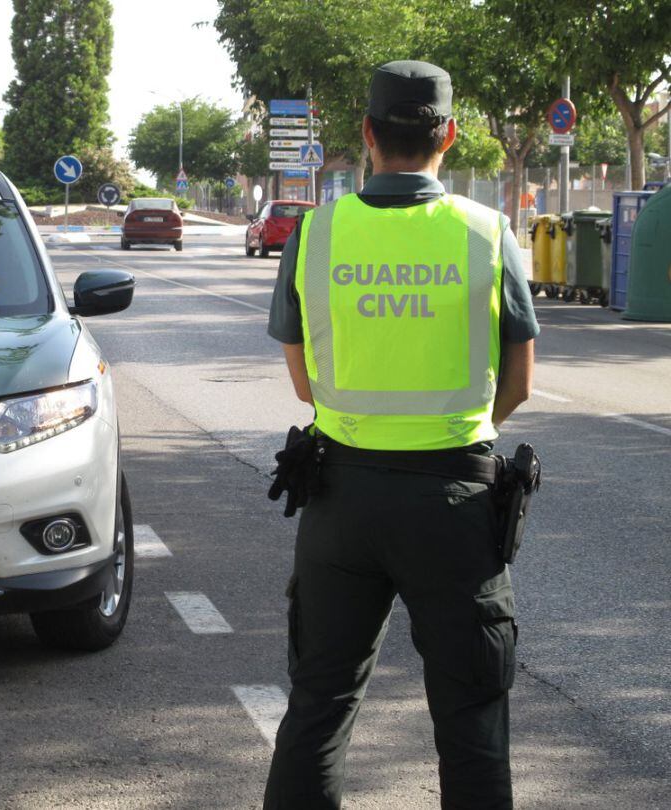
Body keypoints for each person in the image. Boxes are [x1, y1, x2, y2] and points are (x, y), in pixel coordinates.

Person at [263, 60, 539, 810]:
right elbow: (518, 382)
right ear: (448, 135)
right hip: (454, 505)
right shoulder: (486, 234)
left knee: (320, 705)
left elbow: (302, 383)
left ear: (366, 135)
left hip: (340, 501)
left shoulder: (316, 234)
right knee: (471, 715)